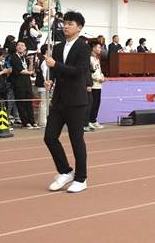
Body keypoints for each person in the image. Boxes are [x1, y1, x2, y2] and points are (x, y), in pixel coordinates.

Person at [43, 11, 91, 193]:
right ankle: (65, 171)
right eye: (65, 23)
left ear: (79, 28)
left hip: (76, 100)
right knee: (49, 137)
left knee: (76, 139)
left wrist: (55, 65)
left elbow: (78, 71)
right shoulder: (57, 47)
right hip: (59, 99)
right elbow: (56, 72)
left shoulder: (83, 48)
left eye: (70, 24)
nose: (66, 26)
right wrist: (50, 80)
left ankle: (81, 178)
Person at [11, 40, 38, 129]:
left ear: (25, 48)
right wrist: (29, 73)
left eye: (22, 45)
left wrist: (31, 61)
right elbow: (19, 70)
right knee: (21, 103)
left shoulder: (26, 58)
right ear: (16, 47)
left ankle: (32, 121)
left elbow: (30, 70)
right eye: (18, 45)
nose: (20, 47)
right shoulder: (14, 57)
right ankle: (25, 122)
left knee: (29, 103)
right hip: (19, 84)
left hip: (27, 83)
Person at [86, 40, 106, 130]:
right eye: (99, 47)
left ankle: (93, 120)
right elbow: (91, 72)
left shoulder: (96, 59)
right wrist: (98, 78)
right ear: (93, 48)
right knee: (92, 104)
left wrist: (102, 77)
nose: (100, 49)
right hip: (93, 85)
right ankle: (90, 120)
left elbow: (99, 70)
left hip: (98, 85)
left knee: (97, 103)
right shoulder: (90, 59)